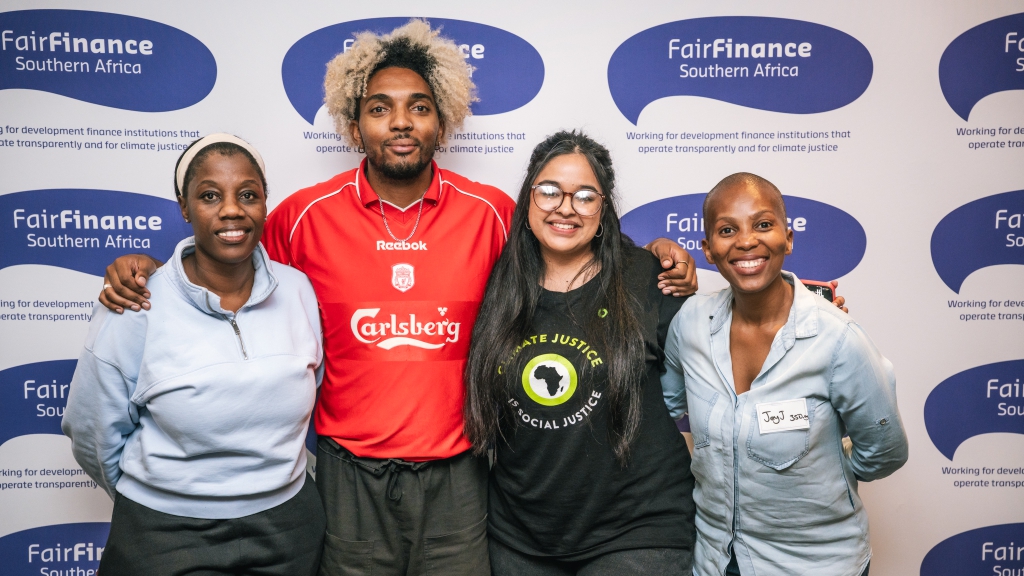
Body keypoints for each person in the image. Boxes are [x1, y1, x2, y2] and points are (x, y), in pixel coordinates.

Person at [95, 20, 696, 575]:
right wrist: (154, 272)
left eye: (419, 107)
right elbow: (227, 255)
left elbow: (567, 238)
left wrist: (652, 258)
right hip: (348, 476)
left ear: (443, 121)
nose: (401, 122)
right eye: (380, 108)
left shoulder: (489, 212)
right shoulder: (303, 216)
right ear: (354, 125)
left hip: (460, 478)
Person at [62, 134, 326, 576]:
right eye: (209, 196)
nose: (232, 210)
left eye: (248, 195)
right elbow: (92, 431)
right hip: (163, 536)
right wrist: (158, 498)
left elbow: (312, 391)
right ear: (184, 208)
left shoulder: (298, 289)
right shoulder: (135, 303)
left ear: (265, 203)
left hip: (289, 530)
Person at [464, 131, 696, 575]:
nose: (566, 207)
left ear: (603, 209)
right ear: (529, 198)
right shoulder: (492, 282)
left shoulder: (648, 277)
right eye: (550, 191)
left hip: (638, 531)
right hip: (518, 537)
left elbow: (720, 366)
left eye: (585, 196)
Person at [661, 173, 908, 576]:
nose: (746, 241)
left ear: (788, 239)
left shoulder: (837, 338)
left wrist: (827, 473)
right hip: (715, 560)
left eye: (763, 224)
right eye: (727, 230)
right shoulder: (689, 324)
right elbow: (664, 410)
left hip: (815, 565)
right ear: (708, 250)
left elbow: (885, 452)